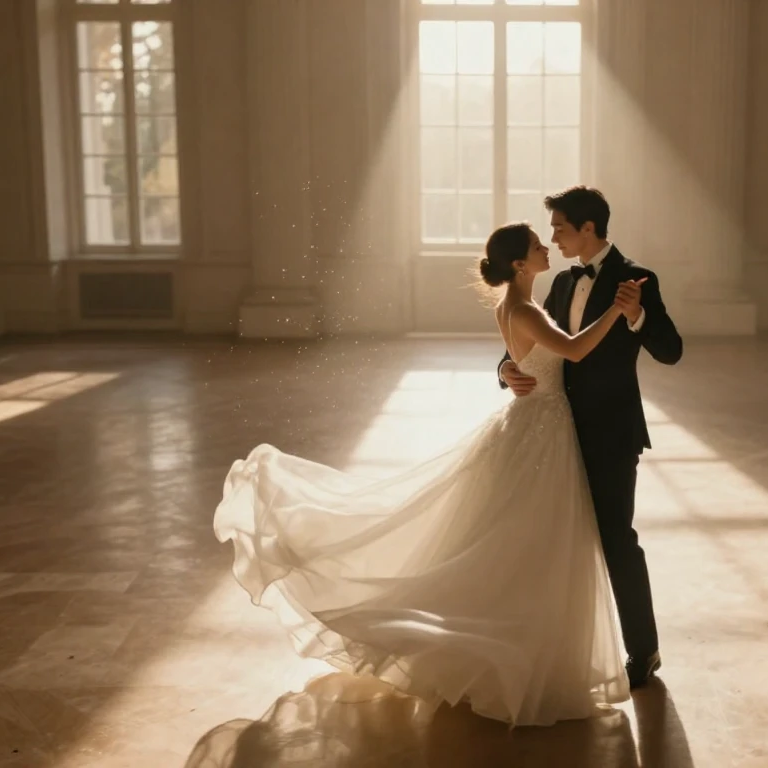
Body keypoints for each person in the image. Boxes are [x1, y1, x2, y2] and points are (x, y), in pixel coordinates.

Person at [213, 219, 652, 727]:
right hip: (543, 429)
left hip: (535, 423)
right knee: (529, 544)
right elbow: (572, 350)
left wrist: (509, 367)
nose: (547, 246)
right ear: (519, 264)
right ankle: (522, 659)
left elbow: (528, 355)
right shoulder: (526, 308)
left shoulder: (515, 305)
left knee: (517, 542)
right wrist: (617, 311)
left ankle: (526, 652)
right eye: (537, 245)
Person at [498, 186, 683, 690]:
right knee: (551, 540)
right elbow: (533, 345)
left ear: (588, 228)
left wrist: (636, 316)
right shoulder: (562, 282)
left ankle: (643, 650)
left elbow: (671, 351)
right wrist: (505, 370)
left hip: (611, 431)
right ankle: (560, 651)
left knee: (616, 539)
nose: (554, 238)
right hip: (552, 433)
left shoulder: (636, 279)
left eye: (559, 228)